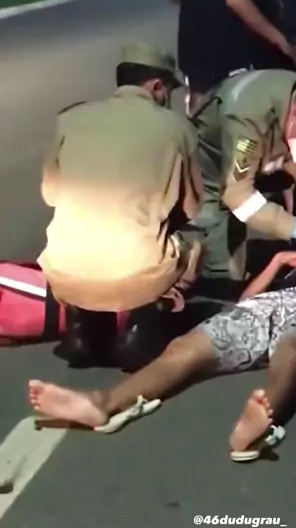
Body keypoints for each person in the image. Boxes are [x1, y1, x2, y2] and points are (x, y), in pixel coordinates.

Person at [28, 245, 296, 460]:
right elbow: (246, 300)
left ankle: (259, 422)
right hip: (265, 306)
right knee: (185, 348)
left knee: (293, 351)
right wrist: (279, 261)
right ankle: (104, 402)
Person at [38, 44, 203, 369]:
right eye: (167, 91)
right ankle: (142, 329)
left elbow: (51, 195)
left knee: (84, 232)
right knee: (193, 245)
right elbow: (190, 208)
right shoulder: (176, 128)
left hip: (63, 270)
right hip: (136, 273)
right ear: (157, 86)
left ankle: (84, 330)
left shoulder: (70, 119)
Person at [191, 67, 296, 280]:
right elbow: (238, 195)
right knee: (219, 233)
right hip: (218, 157)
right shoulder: (246, 127)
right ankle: (217, 279)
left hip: (266, 147)